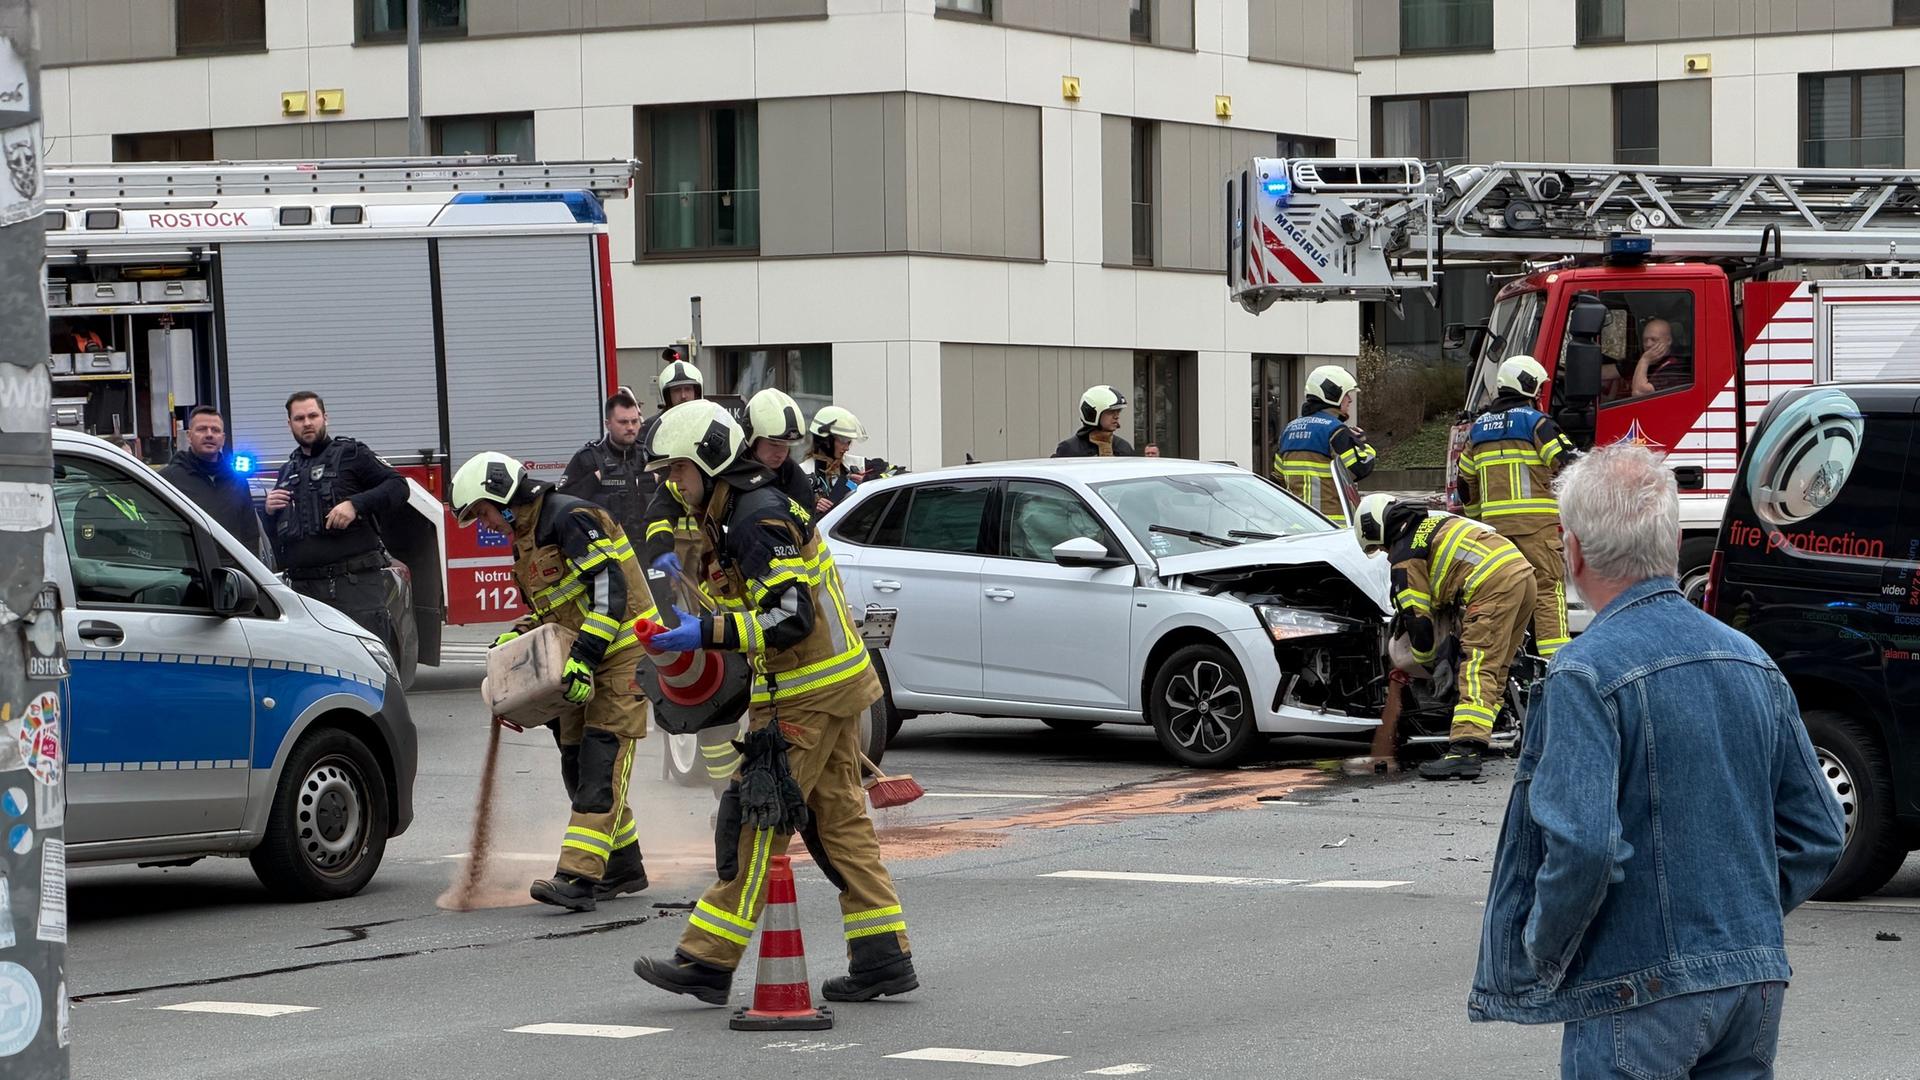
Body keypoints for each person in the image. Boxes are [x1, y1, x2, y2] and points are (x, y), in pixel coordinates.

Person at [1469, 444, 1844, 1079]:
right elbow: (1820, 831)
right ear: (1670, 542)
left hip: (1632, 986)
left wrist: (1542, 944)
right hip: (1750, 980)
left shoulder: (1585, 673)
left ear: (1573, 549)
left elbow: (1584, 847)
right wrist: (1743, 912)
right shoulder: (1752, 662)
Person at [632, 400, 915, 1008]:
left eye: (677, 472)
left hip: (803, 696)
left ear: (708, 463)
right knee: (838, 824)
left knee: (753, 818)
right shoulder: (736, 508)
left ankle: (707, 961)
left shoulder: (753, 518)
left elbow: (788, 617)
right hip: (831, 687)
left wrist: (701, 635)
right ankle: (882, 956)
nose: (673, 487)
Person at [451, 451, 659, 912]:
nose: (484, 524)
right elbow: (557, 607)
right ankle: (623, 865)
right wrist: (519, 635)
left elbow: (611, 590)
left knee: (600, 765)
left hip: (622, 656)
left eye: (483, 512)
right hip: (578, 660)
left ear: (503, 498)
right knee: (575, 764)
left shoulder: (571, 518)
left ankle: (579, 877)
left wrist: (584, 659)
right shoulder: (525, 539)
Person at [1354, 492, 1535, 781]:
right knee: (1496, 667)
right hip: (1520, 573)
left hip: (1491, 584)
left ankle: (1465, 750)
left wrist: (1429, 663)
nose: (1386, 554)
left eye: (1381, 547)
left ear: (1378, 528)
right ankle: (1484, 735)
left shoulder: (1404, 555)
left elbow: (1419, 623)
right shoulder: (1432, 523)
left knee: (1476, 665)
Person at [264, 392, 408, 644]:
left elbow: (399, 487)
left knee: (368, 667)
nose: (307, 423)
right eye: (299, 418)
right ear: (290, 425)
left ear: (325, 418)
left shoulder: (352, 454)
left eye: (313, 416)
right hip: (304, 594)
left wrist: (355, 504)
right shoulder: (288, 471)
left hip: (354, 589)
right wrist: (269, 512)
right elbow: (276, 540)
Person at [1455, 355, 1574, 658]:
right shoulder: (1536, 422)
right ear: (1529, 387)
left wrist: (1477, 520)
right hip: (1536, 528)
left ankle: (1502, 662)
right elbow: (1566, 462)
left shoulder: (1478, 429)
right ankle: (1553, 662)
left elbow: (1465, 485)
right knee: (1548, 591)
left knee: (1503, 594)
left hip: (1495, 534)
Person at [1273, 365, 1375, 526]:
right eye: (1346, 394)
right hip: (1331, 524)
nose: (1350, 399)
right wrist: (1362, 445)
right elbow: (1360, 468)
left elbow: (1278, 478)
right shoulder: (1334, 430)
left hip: (1297, 525)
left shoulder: (1289, 429)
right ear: (1333, 395)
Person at [160, 406, 263, 554]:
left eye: (215, 430)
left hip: (231, 573)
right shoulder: (169, 479)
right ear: (189, 436)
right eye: (202, 429)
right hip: (190, 572)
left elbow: (250, 535)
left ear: (223, 438)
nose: (209, 435)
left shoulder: (237, 481)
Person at [559, 387, 653, 540]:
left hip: (647, 551)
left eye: (634, 421)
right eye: (623, 422)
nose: (630, 427)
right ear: (607, 424)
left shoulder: (651, 457)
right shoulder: (588, 459)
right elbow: (562, 503)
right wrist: (592, 481)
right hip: (606, 551)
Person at [745, 387, 815, 514]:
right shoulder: (732, 474)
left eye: (787, 445)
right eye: (774, 445)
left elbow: (807, 524)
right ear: (752, 439)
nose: (781, 454)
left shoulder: (795, 478)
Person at [804, 405, 869, 514]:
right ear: (825, 439)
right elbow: (790, 513)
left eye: (849, 442)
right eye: (843, 440)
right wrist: (814, 509)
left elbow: (895, 473)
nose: (847, 448)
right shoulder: (803, 471)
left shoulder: (858, 464)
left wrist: (867, 480)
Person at [1053, 385, 1139, 458]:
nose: (1116, 416)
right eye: (1110, 412)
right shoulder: (1070, 449)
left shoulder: (1123, 447)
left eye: (1118, 411)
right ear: (1092, 413)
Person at [1629, 317, 1688, 397]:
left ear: (1669, 341)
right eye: (1645, 340)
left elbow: (1639, 393)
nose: (1648, 344)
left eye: (1654, 339)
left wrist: (1644, 360)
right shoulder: (1653, 361)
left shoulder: (1675, 367)